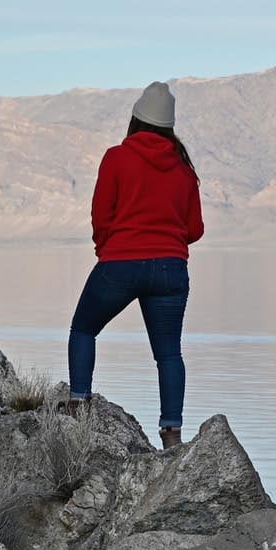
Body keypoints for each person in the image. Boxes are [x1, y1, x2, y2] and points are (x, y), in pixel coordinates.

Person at [67, 81, 202, 449]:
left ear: (136, 120)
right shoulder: (184, 170)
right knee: (169, 353)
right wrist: (165, 243)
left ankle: (79, 403)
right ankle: (172, 433)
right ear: (169, 127)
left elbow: (101, 217)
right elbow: (194, 230)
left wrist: (107, 251)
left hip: (120, 265)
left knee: (83, 329)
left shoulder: (116, 157)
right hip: (171, 269)